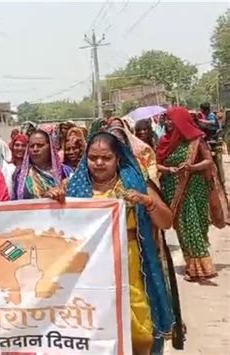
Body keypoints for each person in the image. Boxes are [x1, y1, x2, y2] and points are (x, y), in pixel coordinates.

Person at [59, 133, 175, 354]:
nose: (99, 163)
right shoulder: (72, 187)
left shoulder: (137, 185)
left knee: (139, 328)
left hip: (131, 264)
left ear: (118, 158)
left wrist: (148, 203)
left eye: (106, 157)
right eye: (93, 158)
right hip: (91, 269)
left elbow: (166, 222)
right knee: (96, 325)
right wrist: (53, 200)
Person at [157, 107, 217, 282]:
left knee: (195, 224)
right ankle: (193, 265)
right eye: (166, 120)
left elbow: (208, 161)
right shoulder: (163, 142)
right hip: (172, 189)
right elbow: (156, 163)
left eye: (170, 120)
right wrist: (168, 169)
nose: (167, 123)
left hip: (194, 188)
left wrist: (192, 168)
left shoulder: (196, 141)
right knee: (183, 227)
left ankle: (200, 265)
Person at [13, 129, 73, 200]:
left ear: (50, 148)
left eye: (40, 145)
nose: (35, 149)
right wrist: (44, 199)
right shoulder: (20, 174)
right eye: (32, 146)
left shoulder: (66, 172)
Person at [108, 117, 159, 187]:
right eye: (113, 127)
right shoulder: (104, 147)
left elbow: (150, 167)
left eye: (119, 126)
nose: (116, 130)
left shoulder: (141, 147)